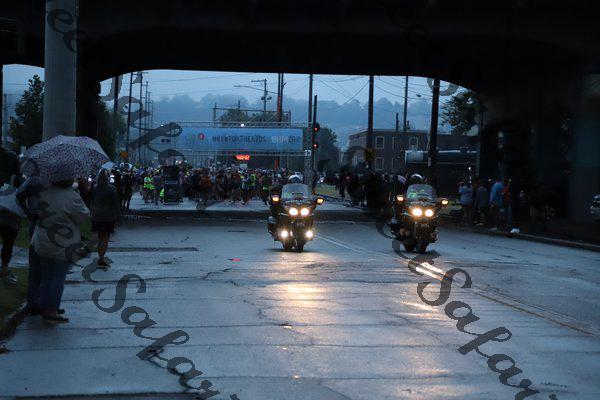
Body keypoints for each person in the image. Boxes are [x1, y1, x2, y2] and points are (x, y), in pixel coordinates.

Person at [29, 179, 89, 322]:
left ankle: (44, 305)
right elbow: (83, 216)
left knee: (46, 276)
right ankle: (51, 310)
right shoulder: (71, 196)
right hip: (63, 243)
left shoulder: (45, 192)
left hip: (44, 239)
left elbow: (36, 210)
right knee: (58, 277)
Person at [91, 170, 120, 268]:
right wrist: (118, 216)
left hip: (97, 214)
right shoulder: (112, 189)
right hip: (108, 216)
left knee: (100, 237)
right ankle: (101, 257)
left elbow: (92, 200)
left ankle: (100, 256)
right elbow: (115, 203)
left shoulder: (95, 188)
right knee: (106, 237)